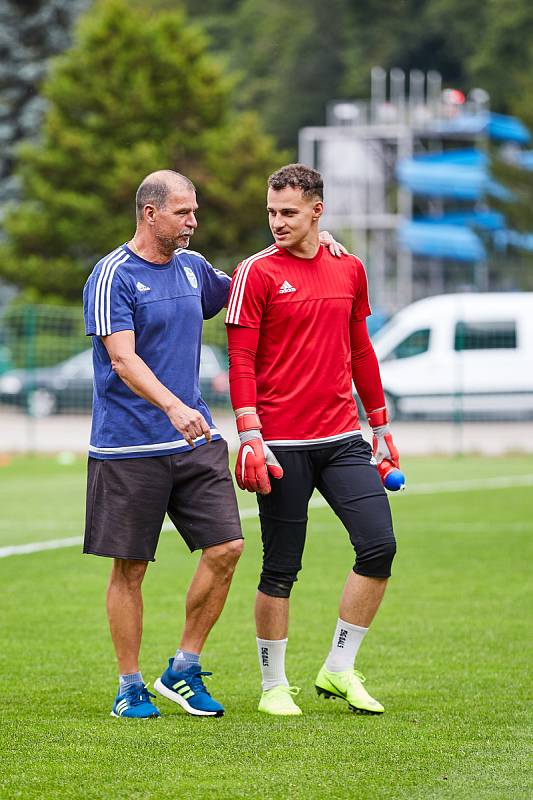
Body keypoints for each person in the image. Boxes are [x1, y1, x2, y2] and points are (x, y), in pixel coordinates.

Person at [83, 168, 345, 720]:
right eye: (183, 212)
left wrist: (313, 249)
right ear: (150, 213)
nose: (193, 221)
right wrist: (172, 406)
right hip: (129, 447)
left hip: (195, 438)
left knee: (227, 547)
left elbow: (258, 288)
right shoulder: (113, 276)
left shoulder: (194, 269)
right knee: (130, 568)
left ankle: (182, 667)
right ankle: (129, 685)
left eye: (194, 211)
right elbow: (123, 359)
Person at [225, 163, 399, 717]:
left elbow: (361, 349)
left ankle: (339, 669)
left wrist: (381, 424)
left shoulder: (349, 268)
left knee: (379, 547)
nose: (277, 222)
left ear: (317, 211)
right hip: (279, 443)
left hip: (344, 435)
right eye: (272, 212)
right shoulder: (254, 273)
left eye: (289, 213)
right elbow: (240, 358)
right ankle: (273, 684)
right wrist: (250, 432)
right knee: (281, 566)